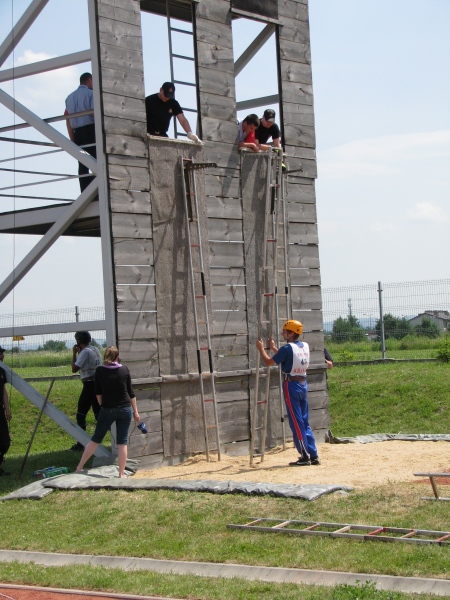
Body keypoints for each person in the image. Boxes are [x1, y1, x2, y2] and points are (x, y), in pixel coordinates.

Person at [256, 319, 320, 466]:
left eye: (285, 331)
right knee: (304, 421)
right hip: (303, 383)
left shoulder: (287, 348)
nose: (282, 333)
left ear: (291, 334)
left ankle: (304, 455)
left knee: (296, 422)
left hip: (291, 385)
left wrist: (261, 349)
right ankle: (313, 454)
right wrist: (274, 348)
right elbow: (289, 358)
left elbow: (269, 362)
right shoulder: (304, 346)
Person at [76, 346, 140, 478]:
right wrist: (136, 412)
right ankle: (121, 474)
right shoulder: (124, 369)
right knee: (122, 442)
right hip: (125, 409)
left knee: (96, 439)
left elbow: (98, 393)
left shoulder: (100, 371)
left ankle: (80, 467)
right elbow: (131, 393)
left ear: (105, 356)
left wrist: (103, 406)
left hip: (107, 409)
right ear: (117, 357)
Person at [69, 331, 102, 451]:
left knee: (81, 414)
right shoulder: (95, 349)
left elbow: (74, 368)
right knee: (98, 414)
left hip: (88, 385)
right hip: (97, 384)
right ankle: (104, 438)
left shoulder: (85, 352)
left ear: (78, 341)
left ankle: (81, 443)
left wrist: (74, 354)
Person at [65, 72, 96, 192]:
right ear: (89, 80)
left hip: (77, 133)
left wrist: (72, 140)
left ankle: (84, 191)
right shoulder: (91, 94)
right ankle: (96, 190)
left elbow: (68, 121)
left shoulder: (69, 98)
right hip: (90, 130)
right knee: (96, 161)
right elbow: (94, 113)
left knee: (82, 164)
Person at [0, 346, 12, 476]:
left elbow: (3, 390)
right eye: (0, 353)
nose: (2, 356)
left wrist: (7, 410)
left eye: (2, 353)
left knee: (5, 441)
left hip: (0, 409)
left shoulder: (2, 371)